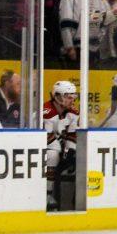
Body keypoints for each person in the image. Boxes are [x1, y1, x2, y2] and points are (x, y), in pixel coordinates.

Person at [43, 81, 79, 211]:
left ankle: (77, 199)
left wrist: (69, 151)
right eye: (69, 97)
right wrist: (61, 151)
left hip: (59, 147)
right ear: (58, 97)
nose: (72, 100)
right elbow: (45, 136)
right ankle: (46, 195)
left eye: (73, 97)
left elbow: (72, 134)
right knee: (52, 155)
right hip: (41, 150)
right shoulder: (46, 111)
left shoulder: (73, 113)